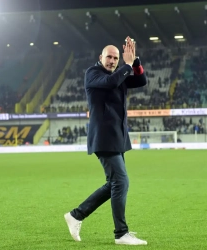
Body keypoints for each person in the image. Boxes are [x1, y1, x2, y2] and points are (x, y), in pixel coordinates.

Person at [64, 36, 148, 245]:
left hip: (117, 137)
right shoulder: (93, 74)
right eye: (109, 57)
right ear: (100, 57)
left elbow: (141, 80)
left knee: (114, 183)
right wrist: (126, 65)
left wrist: (134, 61)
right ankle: (121, 233)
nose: (112, 61)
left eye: (116, 58)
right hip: (104, 137)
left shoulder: (120, 73)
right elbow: (111, 82)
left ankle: (76, 215)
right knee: (121, 182)